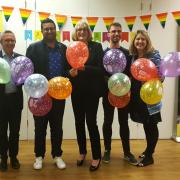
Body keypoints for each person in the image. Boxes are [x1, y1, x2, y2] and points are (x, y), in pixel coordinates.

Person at [26, 18, 68, 170]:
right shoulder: (33, 48)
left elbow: (67, 71)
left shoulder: (64, 48)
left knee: (57, 127)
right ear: (42, 31)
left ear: (55, 30)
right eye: (46, 29)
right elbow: (28, 72)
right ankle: (39, 156)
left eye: (51, 28)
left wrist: (71, 73)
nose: (49, 31)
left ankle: (57, 155)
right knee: (40, 127)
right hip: (40, 95)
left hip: (58, 95)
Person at [68, 21, 105, 171]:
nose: (81, 32)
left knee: (91, 122)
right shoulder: (71, 47)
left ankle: (96, 156)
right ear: (75, 33)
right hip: (76, 91)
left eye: (84, 29)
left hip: (92, 92)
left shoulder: (96, 47)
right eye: (79, 30)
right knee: (78, 123)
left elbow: (101, 70)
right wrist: (69, 73)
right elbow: (67, 70)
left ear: (88, 32)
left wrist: (84, 68)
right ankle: (82, 151)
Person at [102, 22, 138, 165]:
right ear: (108, 34)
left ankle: (127, 152)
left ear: (121, 34)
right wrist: (111, 85)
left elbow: (130, 74)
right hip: (108, 94)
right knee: (107, 122)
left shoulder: (128, 53)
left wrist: (122, 87)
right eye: (113, 31)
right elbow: (101, 74)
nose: (116, 34)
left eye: (118, 31)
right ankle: (107, 150)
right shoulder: (103, 53)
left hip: (124, 94)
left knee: (124, 123)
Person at [129, 30, 164, 167]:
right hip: (138, 95)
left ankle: (149, 156)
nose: (140, 41)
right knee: (146, 124)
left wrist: (161, 77)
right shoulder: (134, 56)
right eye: (138, 39)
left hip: (150, 97)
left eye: (143, 39)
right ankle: (148, 150)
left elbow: (161, 74)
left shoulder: (154, 54)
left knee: (151, 125)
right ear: (134, 41)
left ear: (147, 41)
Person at [0, 30, 23, 171]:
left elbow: (26, 79)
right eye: (6, 40)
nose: (9, 42)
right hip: (0, 101)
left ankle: (14, 157)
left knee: (15, 131)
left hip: (15, 101)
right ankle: (3, 158)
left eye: (12, 40)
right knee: (1, 132)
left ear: (15, 42)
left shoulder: (21, 59)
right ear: (1, 42)